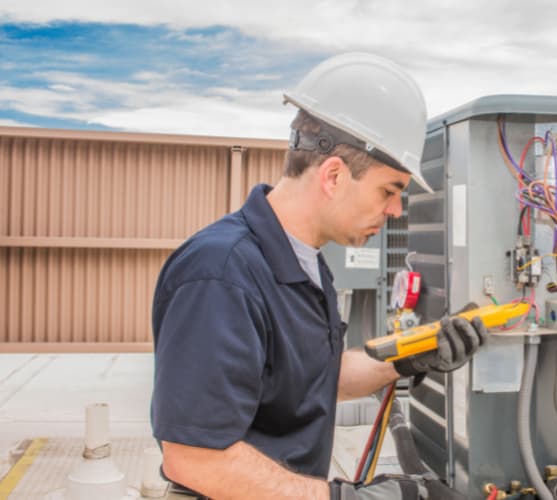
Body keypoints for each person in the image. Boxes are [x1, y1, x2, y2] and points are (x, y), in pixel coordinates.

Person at [150, 53, 487, 500]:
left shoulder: (303, 264)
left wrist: (413, 356)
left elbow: (316, 381)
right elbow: (194, 457)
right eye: (389, 191)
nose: (394, 210)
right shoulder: (221, 274)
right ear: (333, 175)